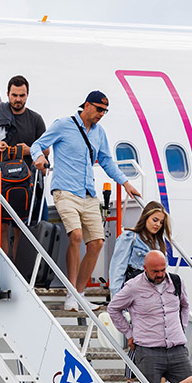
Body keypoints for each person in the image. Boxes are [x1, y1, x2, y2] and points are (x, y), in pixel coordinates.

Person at [30, 90, 142, 311]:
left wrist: (125, 183)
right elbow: (36, 145)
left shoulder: (99, 133)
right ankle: (71, 294)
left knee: (97, 243)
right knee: (76, 235)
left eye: (105, 111)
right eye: (99, 109)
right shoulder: (63, 124)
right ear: (87, 105)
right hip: (65, 190)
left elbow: (107, 161)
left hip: (88, 193)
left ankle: (79, 294)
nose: (101, 114)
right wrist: (40, 156)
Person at [107, 250, 192, 383]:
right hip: (148, 351)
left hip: (177, 349)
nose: (160, 274)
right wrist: (129, 333)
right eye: (155, 271)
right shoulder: (133, 287)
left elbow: (185, 306)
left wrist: (181, 328)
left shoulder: (176, 282)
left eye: (163, 269)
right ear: (145, 268)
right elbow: (113, 308)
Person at [0, 75, 48, 255]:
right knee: (1, 227)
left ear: (27, 95)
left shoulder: (35, 119)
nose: (18, 99)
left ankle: (18, 268)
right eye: (14, 95)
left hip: (26, 182)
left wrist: (29, 151)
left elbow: (46, 151)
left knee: (21, 229)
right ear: (8, 94)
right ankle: (4, 269)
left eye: (22, 95)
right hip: (2, 180)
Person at [108, 201, 172, 296]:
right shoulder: (129, 237)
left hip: (154, 295)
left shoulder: (159, 243)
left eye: (161, 222)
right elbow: (118, 268)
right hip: (134, 293)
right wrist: (117, 297)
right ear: (145, 217)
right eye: (155, 220)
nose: (158, 224)